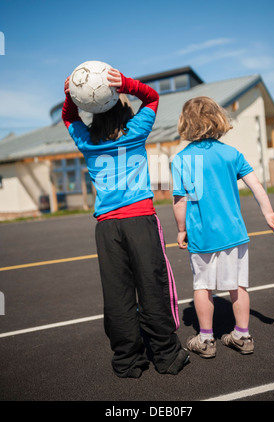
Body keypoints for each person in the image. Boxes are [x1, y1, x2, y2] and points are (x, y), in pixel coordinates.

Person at [62, 68, 189, 378]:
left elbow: (69, 118)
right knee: (152, 286)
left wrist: (70, 95)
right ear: (123, 112)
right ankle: (167, 356)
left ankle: (126, 360)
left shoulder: (86, 142)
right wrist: (128, 84)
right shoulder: (136, 132)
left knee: (117, 293)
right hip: (139, 220)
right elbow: (153, 97)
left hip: (107, 228)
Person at [171, 96, 274, 358]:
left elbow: (179, 200)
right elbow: (256, 185)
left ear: (186, 124)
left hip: (202, 236)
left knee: (202, 286)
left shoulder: (181, 159)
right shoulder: (231, 153)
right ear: (217, 119)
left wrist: (180, 229)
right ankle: (242, 335)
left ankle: (206, 340)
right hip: (234, 233)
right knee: (238, 286)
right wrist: (269, 214)